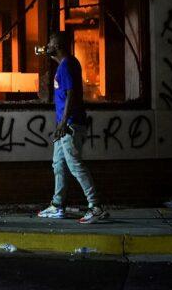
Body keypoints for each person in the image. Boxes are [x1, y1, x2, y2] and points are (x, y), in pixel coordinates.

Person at [36, 30, 109, 223]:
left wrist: (62, 123)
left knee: (75, 165)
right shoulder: (67, 64)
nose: (48, 46)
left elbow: (71, 95)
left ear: (59, 46)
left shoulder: (67, 66)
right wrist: (49, 55)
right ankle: (57, 205)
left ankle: (95, 206)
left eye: (51, 43)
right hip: (67, 124)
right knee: (58, 165)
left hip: (69, 125)